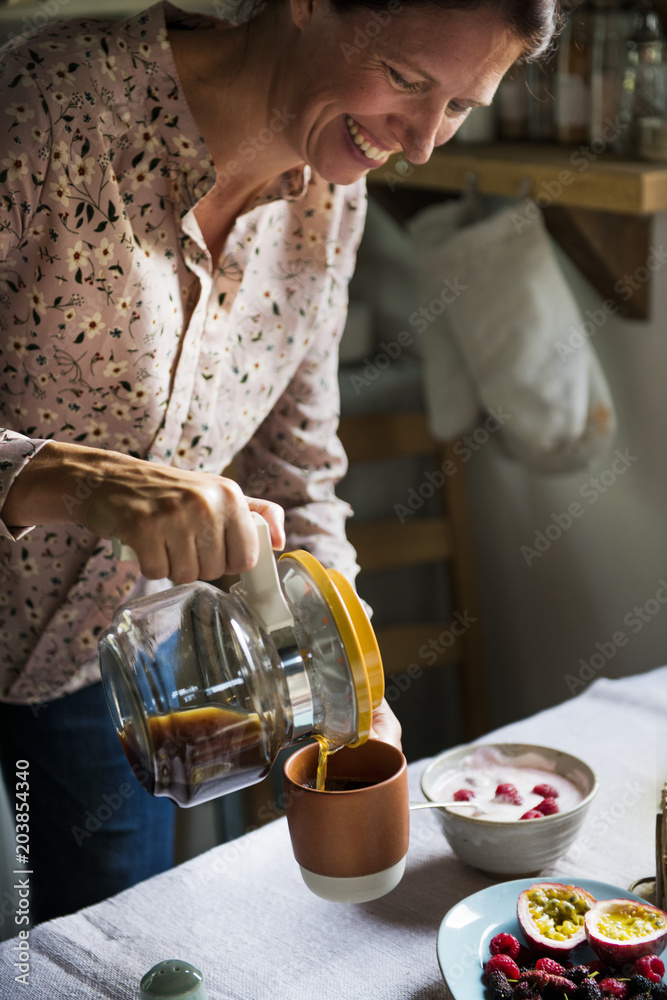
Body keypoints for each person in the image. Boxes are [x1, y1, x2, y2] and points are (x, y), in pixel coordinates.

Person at [0, 0, 560, 923]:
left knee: (94, 961)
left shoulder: (333, 199)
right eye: (409, 82)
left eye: (459, 107)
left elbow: (295, 466)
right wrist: (80, 480)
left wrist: (351, 675)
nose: (421, 144)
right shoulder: (46, 112)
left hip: (108, 688)